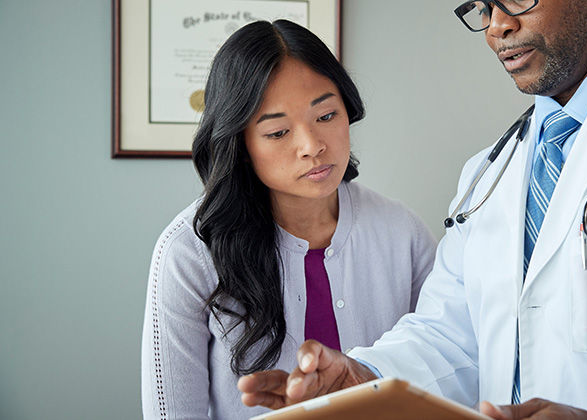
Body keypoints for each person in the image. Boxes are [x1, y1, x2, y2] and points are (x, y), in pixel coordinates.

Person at [238, 1, 587, 419]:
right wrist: (366, 378)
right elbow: (451, 336)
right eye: (483, 6)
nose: (496, 26)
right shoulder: (489, 173)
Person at [140, 19, 437, 420]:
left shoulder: (403, 233)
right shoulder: (191, 252)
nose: (312, 146)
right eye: (278, 133)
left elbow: (441, 373)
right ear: (240, 145)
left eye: (327, 116)